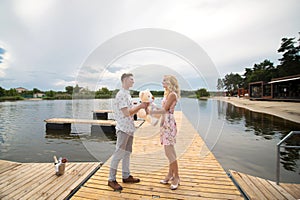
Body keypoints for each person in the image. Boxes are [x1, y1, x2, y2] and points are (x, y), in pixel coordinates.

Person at [108, 73, 149, 191]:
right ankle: (111, 179)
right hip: (123, 128)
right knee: (118, 153)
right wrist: (141, 106)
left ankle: (126, 176)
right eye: (131, 79)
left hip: (130, 128)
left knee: (127, 153)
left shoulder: (127, 94)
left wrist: (141, 104)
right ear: (125, 80)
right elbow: (126, 113)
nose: (133, 82)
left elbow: (130, 108)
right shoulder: (121, 94)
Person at [149, 75, 181, 190]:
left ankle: (176, 177)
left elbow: (165, 110)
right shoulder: (167, 94)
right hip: (165, 123)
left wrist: (151, 112)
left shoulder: (172, 95)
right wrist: (151, 105)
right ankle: (170, 174)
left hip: (169, 123)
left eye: (164, 81)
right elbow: (163, 110)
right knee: (169, 151)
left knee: (169, 152)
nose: (162, 82)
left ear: (169, 82)